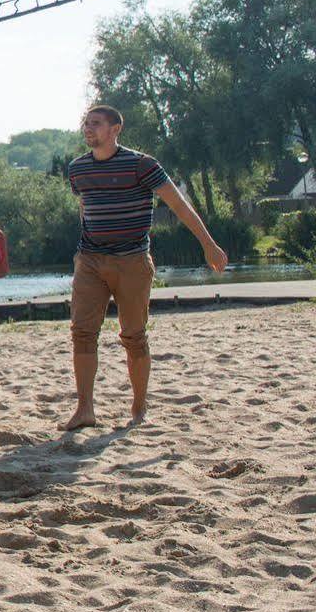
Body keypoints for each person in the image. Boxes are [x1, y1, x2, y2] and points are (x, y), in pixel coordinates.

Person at [62, 104, 227, 430]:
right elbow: (85, 205)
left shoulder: (142, 165)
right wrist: (83, 253)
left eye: (95, 124)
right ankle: (85, 410)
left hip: (133, 261)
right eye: (86, 123)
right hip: (91, 260)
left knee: (134, 335)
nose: (88, 128)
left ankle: (138, 409)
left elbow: (178, 204)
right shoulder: (77, 169)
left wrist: (208, 244)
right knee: (82, 333)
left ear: (115, 129)